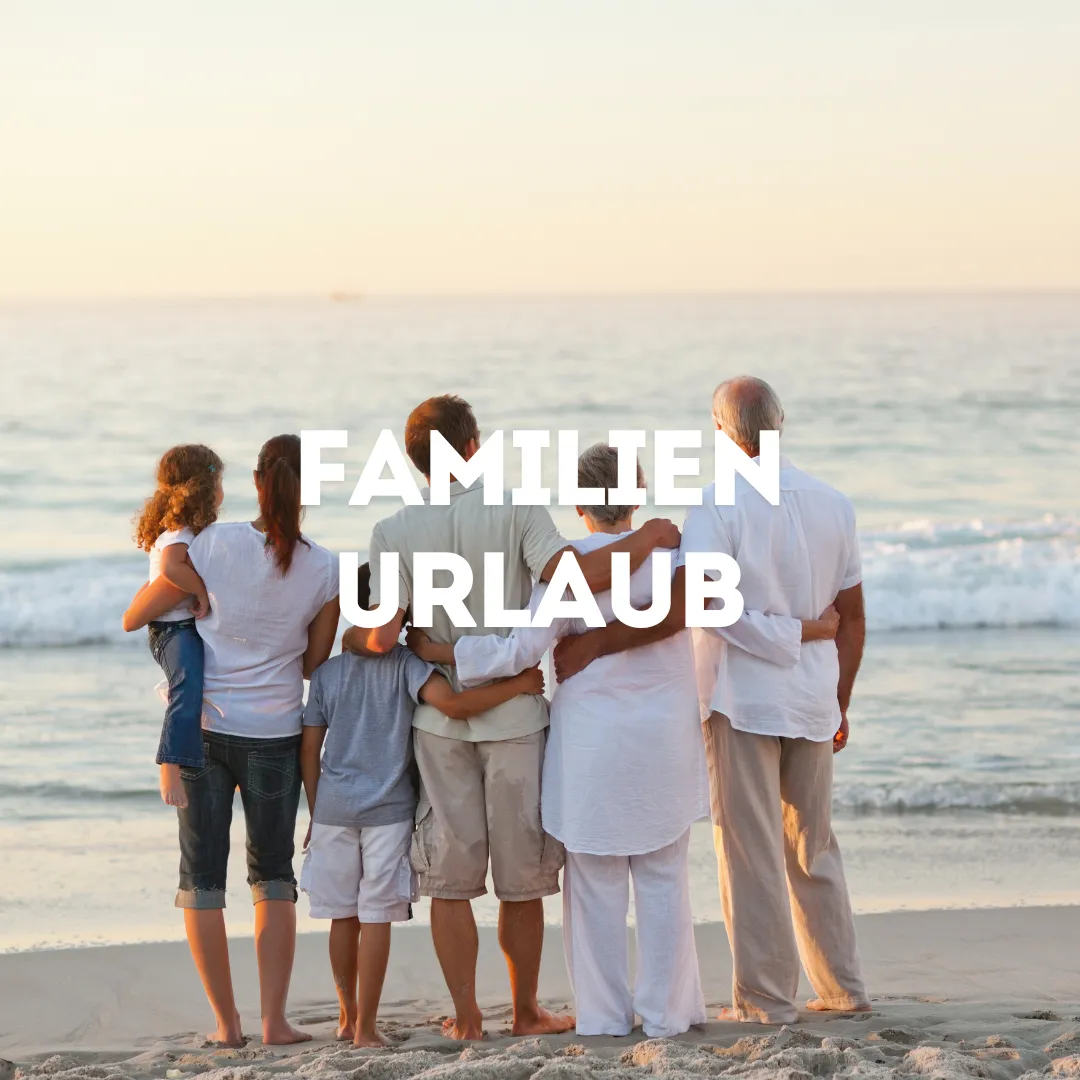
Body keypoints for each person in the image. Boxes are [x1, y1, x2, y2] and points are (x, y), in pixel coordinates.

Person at [342, 394, 680, 1040]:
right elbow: (573, 578)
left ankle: (467, 1017)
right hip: (518, 719)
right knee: (520, 877)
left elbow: (381, 636)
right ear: (473, 448)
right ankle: (525, 1011)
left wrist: (356, 641)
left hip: (439, 725)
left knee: (450, 876)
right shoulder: (518, 509)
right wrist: (650, 537)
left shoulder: (393, 532)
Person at [553, 377, 869, 1026]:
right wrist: (840, 697)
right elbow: (855, 616)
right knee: (814, 847)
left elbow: (703, 604)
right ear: (781, 424)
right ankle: (842, 989)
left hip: (742, 699)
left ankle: (767, 1000)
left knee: (750, 851)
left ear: (723, 432)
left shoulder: (719, 505)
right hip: (812, 699)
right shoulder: (834, 503)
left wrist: (791, 634)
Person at [409, 443, 709, 1038]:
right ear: (637, 494)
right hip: (664, 738)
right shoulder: (674, 555)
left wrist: (442, 652)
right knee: (664, 877)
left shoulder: (567, 570)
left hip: (595, 745)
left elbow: (519, 650)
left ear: (578, 504)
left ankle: (602, 1017)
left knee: (594, 882)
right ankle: (667, 1016)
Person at [122, 434, 340, 1047]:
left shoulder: (210, 543)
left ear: (254, 481)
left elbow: (153, 600)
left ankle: (227, 1025)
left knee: (202, 879)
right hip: (274, 732)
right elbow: (312, 664)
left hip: (205, 730)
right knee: (272, 877)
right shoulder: (326, 568)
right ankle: (275, 1023)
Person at [299, 563, 547, 1048]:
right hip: (388, 814)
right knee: (373, 917)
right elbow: (453, 706)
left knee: (342, 917)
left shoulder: (327, 675)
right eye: (399, 612)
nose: (404, 624)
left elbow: (310, 749)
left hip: (333, 812)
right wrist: (516, 687)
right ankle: (365, 1029)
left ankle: (349, 1019)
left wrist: (315, 808)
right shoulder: (407, 667)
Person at [123, 444, 222, 809]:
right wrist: (202, 594)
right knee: (188, 687)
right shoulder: (179, 533)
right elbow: (170, 571)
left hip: (181, 627)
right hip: (172, 629)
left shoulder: (186, 530)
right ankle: (169, 763)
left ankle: (217, 758)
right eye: (220, 480)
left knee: (207, 688)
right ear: (204, 487)